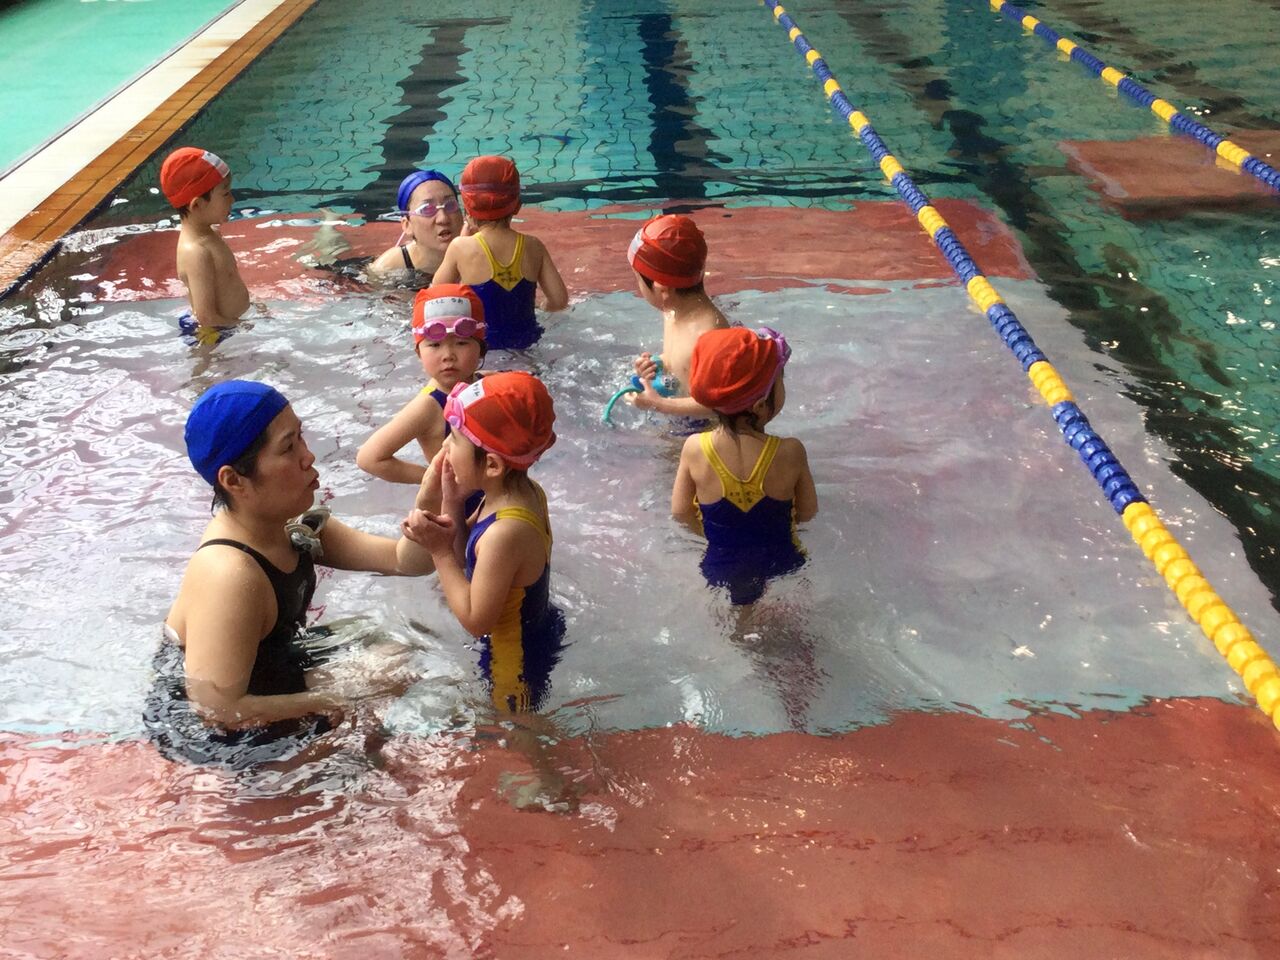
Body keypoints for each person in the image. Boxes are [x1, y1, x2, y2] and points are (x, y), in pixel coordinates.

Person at [146, 380, 436, 767]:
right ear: (233, 480)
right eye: (288, 447)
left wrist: (434, 496)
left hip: (267, 669)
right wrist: (340, 697)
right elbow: (216, 710)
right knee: (375, 687)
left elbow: (405, 562)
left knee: (394, 652)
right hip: (210, 738)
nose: (308, 456)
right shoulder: (229, 574)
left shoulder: (293, 526)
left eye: (301, 437)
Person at [401, 371, 571, 808]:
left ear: (492, 465)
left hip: (512, 657)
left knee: (516, 720)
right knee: (520, 714)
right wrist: (453, 503)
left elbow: (476, 620)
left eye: (454, 439)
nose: (444, 449)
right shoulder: (522, 494)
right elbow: (469, 559)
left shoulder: (504, 533)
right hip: (534, 626)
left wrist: (438, 552)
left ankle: (551, 784)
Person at [671, 326, 818, 605]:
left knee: (739, 612)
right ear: (761, 405)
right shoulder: (790, 451)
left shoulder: (694, 448)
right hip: (783, 560)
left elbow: (680, 512)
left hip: (720, 563)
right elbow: (808, 512)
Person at [432, 155, 568, 349]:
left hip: (481, 350)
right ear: (518, 205)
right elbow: (559, 301)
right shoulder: (534, 246)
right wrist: (541, 307)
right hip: (529, 346)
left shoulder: (460, 247)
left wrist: (464, 236)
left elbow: (435, 297)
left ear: (467, 208)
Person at [356, 285, 487, 486]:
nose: (448, 355)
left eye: (461, 343)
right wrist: (436, 479)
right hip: (459, 503)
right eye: (434, 345)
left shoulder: (485, 383)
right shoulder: (428, 407)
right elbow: (369, 459)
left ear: (482, 349)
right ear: (418, 353)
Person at [628, 214, 730, 423]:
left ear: (662, 289)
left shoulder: (707, 337)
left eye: (637, 279)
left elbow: (721, 405)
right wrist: (657, 365)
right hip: (683, 415)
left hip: (706, 431)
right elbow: (679, 363)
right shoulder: (672, 311)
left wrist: (658, 404)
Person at [161, 147, 250, 340]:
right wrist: (245, 327)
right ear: (197, 205)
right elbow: (206, 317)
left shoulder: (211, 234)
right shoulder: (196, 252)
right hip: (215, 335)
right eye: (226, 194)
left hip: (229, 326)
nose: (233, 199)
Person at [368, 170, 465, 281]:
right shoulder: (387, 268)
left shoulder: (478, 248)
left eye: (450, 205)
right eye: (427, 209)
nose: (443, 218)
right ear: (407, 225)